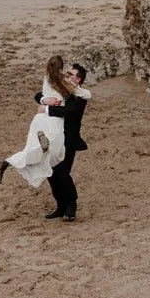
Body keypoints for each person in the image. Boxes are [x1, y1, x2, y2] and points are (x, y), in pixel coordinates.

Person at [0, 62, 66, 191]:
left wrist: (43, 101)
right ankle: (45, 150)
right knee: (56, 152)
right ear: (61, 68)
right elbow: (82, 96)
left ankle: (9, 162)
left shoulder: (47, 80)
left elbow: (38, 95)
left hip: (39, 119)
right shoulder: (64, 83)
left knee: (30, 149)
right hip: (54, 119)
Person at [47, 60, 89, 223]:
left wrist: (48, 109)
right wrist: (45, 101)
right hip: (54, 136)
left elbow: (68, 111)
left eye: (70, 74)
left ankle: (71, 205)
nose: (66, 76)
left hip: (69, 139)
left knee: (63, 172)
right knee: (51, 172)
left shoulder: (80, 95)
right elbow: (39, 95)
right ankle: (60, 206)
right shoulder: (60, 89)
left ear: (78, 79)